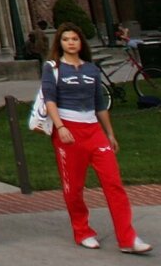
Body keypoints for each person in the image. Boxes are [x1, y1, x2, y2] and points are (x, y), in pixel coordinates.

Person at [43, 22, 151, 254]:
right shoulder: (53, 68)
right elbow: (49, 99)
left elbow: (100, 104)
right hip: (68, 129)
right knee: (74, 187)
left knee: (113, 183)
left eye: (74, 39)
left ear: (81, 42)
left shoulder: (91, 69)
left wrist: (109, 133)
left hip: (93, 129)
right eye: (66, 39)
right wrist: (60, 127)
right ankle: (82, 230)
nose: (71, 43)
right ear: (59, 43)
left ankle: (127, 238)